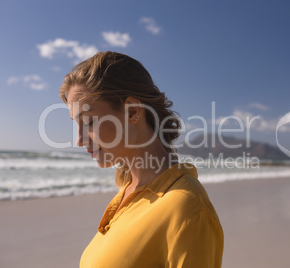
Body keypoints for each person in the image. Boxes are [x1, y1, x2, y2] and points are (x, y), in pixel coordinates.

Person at [59, 51, 224, 267]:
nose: (79, 140)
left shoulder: (188, 208)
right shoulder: (128, 192)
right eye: (76, 124)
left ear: (132, 112)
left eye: (88, 121)